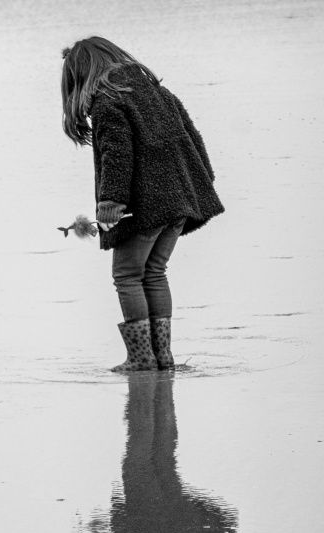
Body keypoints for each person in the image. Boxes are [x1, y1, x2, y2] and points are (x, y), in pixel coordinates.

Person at [61, 36, 224, 372]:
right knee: (154, 272)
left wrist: (111, 201)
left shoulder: (108, 102)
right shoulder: (158, 93)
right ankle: (162, 356)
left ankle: (140, 358)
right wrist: (200, 182)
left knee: (127, 275)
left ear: (82, 74)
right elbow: (193, 139)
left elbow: (117, 153)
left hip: (144, 204)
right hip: (179, 199)